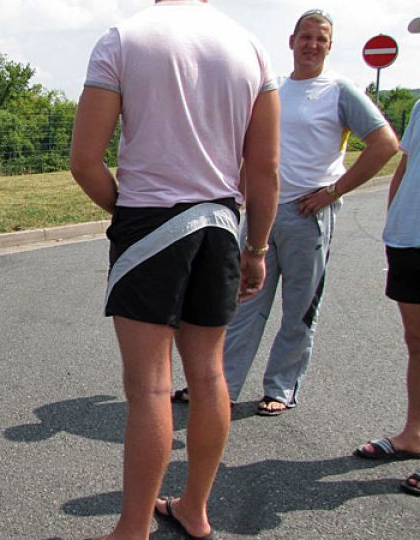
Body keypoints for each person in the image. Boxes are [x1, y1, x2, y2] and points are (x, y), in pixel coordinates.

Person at [69, 1, 279, 538]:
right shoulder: (251, 47)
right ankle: (195, 508)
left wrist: (130, 215)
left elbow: (84, 160)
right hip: (222, 224)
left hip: (151, 219)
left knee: (150, 389)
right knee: (210, 376)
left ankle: (133, 528)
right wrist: (256, 247)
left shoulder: (124, 38)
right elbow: (266, 167)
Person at [209, 9, 398, 416]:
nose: (312, 45)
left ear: (329, 47)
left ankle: (281, 386)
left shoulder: (339, 91)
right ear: (291, 41)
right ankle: (222, 386)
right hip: (263, 213)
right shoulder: (273, 88)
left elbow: (384, 144)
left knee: (299, 308)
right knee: (244, 301)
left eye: (321, 39)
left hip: (306, 214)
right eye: (305, 37)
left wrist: (333, 191)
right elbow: (252, 152)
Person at [353, 20, 420, 497]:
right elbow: (407, 164)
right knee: (416, 342)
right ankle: (414, 432)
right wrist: (393, 220)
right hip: (409, 237)